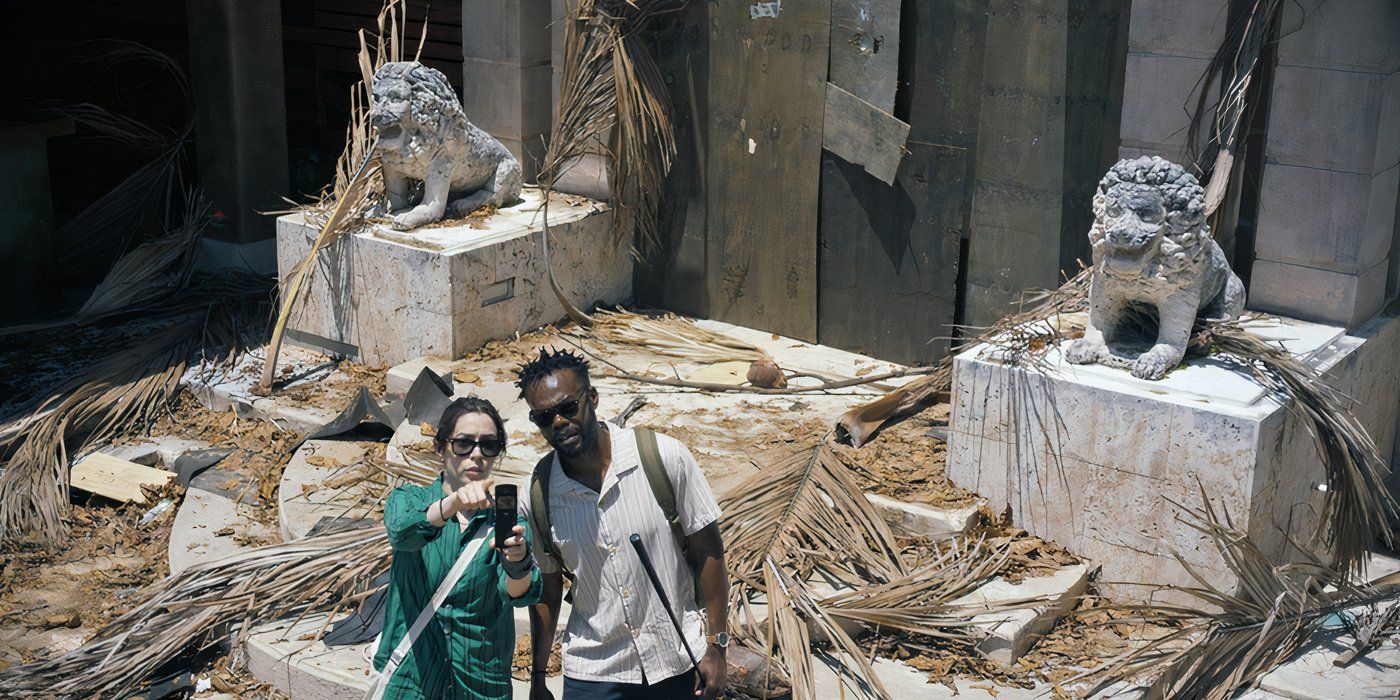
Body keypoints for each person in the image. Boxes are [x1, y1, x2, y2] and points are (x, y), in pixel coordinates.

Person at [520, 348, 729, 700]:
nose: (558, 422)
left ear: (593, 398)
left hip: (676, 657)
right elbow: (548, 590)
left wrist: (717, 646)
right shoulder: (537, 494)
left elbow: (710, 551)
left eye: (569, 407)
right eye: (544, 417)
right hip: (594, 669)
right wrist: (538, 679)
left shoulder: (664, 457)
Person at [373, 397, 541, 699]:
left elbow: (519, 594)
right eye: (463, 443)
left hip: (479, 683)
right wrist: (453, 503)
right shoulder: (409, 500)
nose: (476, 455)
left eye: (489, 445)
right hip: (413, 680)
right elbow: (403, 533)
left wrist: (518, 563)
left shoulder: (507, 524)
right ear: (441, 448)